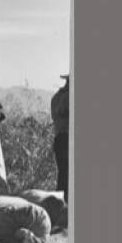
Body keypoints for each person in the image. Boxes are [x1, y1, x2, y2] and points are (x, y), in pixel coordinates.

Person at [51, 74, 70, 203]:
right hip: (68, 139)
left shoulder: (56, 97)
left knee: (63, 174)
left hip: (59, 138)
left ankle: (60, 206)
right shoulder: (71, 96)